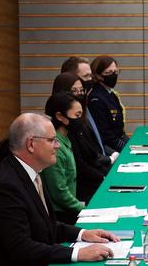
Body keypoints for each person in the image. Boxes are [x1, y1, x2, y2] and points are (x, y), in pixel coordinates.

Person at [0, 113, 120, 265]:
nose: (58, 146)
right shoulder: (5, 185)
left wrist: (83, 233)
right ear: (31, 144)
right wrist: (78, 253)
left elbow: (44, 225)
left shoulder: (30, 171)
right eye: (52, 140)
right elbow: (21, 248)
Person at [52, 73, 117, 203]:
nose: (79, 94)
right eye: (74, 91)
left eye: (81, 90)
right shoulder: (60, 138)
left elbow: (93, 152)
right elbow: (79, 166)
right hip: (82, 195)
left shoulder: (81, 117)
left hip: (94, 180)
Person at [42, 92, 86, 224]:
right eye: (77, 115)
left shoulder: (65, 138)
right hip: (61, 215)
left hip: (70, 207)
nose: (81, 119)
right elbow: (59, 191)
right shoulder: (55, 146)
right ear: (60, 116)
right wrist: (83, 208)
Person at [60, 56, 107, 154]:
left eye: (91, 76)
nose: (91, 80)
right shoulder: (68, 112)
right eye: (86, 76)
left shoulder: (85, 103)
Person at [89, 56, 129, 152]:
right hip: (108, 149)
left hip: (118, 140)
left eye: (116, 72)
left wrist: (131, 144)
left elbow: (119, 130)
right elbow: (105, 135)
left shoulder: (111, 94)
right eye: (109, 72)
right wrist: (126, 149)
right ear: (98, 75)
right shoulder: (96, 98)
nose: (114, 75)